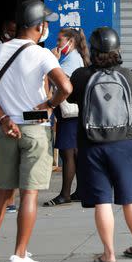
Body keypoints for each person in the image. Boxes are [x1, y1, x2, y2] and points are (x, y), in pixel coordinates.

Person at [0, 0, 71, 262]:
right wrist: (51, 104)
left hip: (8, 129)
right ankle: (19, 257)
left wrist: (3, 118)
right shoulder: (41, 54)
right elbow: (65, 85)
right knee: (29, 194)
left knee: (2, 194)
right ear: (39, 26)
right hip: (35, 127)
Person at [68, 27, 132, 262]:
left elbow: (71, 98)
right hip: (123, 141)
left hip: (91, 144)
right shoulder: (127, 75)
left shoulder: (81, 76)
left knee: (102, 200)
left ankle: (108, 254)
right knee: (130, 198)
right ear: (116, 49)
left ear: (93, 50)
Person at [43, 27, 89, 207]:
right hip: (71, 113)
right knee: (74, 153)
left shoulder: (71, 60)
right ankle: (80, 190)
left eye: (60, 40)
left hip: (69, 113)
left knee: (67, 153)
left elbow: (61, 83)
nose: (57, 44)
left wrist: (52, 63)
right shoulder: (73, 57)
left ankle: (65, 194)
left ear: (71, 42)